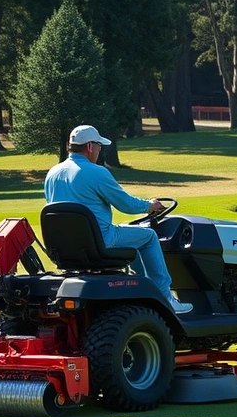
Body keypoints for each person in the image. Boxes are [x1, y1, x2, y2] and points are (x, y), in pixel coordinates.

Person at [43, 124, 192, 314]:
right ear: (89, 146)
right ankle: (165, 296)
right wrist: (150, 205)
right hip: (100, 240)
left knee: (129, 233)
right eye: (98, 145)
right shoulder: (95, 172)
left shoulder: (53, 173)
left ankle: (142, 289)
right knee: (148, 236)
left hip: (66, 247)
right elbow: (126, 205)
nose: (99, 150)